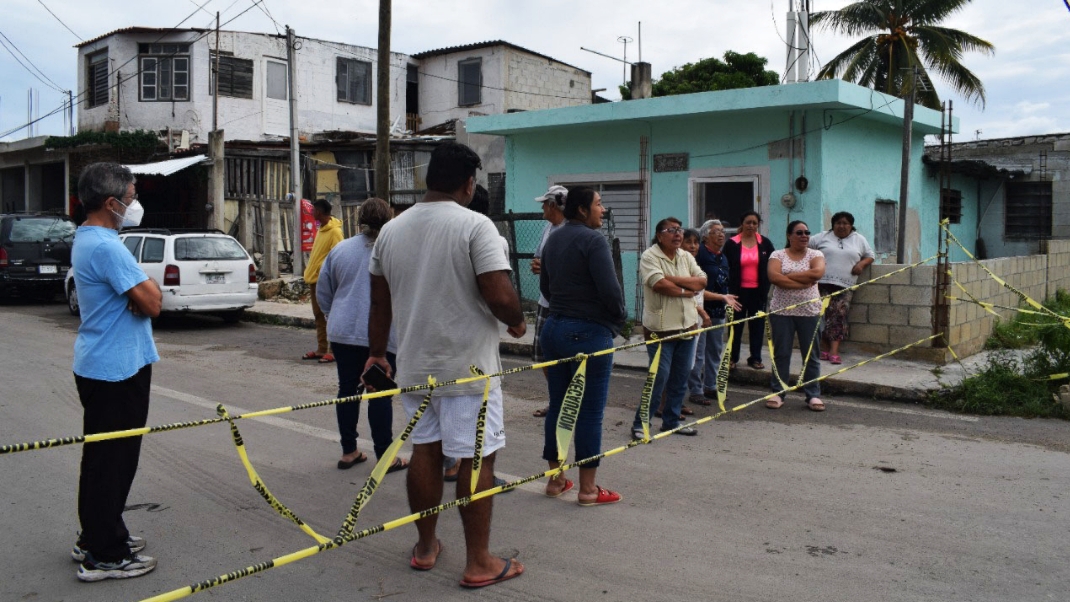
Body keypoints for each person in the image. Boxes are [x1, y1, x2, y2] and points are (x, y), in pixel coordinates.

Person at [365, 142, 526, 588]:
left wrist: (378, 353)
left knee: (425, 453)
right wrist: (516, 320)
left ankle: (425, 546)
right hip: (469, 370)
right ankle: (479, 562)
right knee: (477, 458)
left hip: (415, 366)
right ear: (469, 183)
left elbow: (379, 302)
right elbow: (497, 292)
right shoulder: (476, 226)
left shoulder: (391, 232)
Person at [69, 163, 162, 582]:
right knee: (114, 463)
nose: (134, 203)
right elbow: (154, 302)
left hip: (102, 364)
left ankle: (98, 534)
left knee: (101, 459)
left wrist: (139, 293)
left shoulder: (88, 238)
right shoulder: (108, 247)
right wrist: (142, 291)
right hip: (116, 370)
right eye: (131, 195)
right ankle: (105, 555)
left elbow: (142, 298)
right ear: (111, 203)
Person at [539, 186, 626, 505]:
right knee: (588, 411)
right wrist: (619, 318)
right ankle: (589, 490)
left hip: (554, 328)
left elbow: (545, 288)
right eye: (599, 205)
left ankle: (555, 480)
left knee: (559, 406)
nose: (603, 210)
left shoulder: (555, 236)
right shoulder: (594, 240)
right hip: (588, 333)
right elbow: (611, 290)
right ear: (582, 210)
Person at [317, 198, 407, 473]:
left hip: (344, 333)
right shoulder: (397, 251)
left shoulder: (340, 250)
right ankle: (385, 456)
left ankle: (349, 451)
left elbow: (324, 293)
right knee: (380, 394)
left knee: (347, 392)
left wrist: (339, 317)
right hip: (382, 335)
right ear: (390, 219)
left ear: (359, 220)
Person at [631, 217, 707, 440]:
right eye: (671, 230)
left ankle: (671, 422)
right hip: (660, 329)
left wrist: (674, 280)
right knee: (659, 377)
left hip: (687, 326)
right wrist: (685, 289)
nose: (678, 234)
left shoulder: (685, 256)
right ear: (659, 235)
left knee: (680, 378)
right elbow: (659, 285)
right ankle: (640, 423)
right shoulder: (650, 256)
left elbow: (702, 281)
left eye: (679, 230)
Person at [766, 220, 826, 411]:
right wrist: (802, 282)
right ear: (789, 235)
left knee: (811, 354)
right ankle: (778, 391)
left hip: (810, 311)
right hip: (782, 311)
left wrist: (788, 276)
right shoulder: (778, 254)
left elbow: (817, 273)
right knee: (781, 353)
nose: (804, 236)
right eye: (799, 233)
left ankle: (813, 395)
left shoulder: (816, 254)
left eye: (807, 233)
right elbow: (774, 277)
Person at [809, 211, 875, 364]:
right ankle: (823, 349)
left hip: (844, 286)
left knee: (838, 316)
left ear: (851, 226)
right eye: (838, 223)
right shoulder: (822, 237)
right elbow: (806, 248)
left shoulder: (859, 239)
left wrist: (861, 264)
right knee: (821, 316)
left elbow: (870, 255)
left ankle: (834, 351)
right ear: (833, 225)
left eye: (845, 223)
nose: (842, 226)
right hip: (820, 284)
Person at [689, 220, 741, 405]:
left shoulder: (722, 256)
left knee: (715, 351)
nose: (721, 235)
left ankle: (710, 386)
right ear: (705, 236)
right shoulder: (699, 255)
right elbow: (697, 288)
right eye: (716, 232)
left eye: (722, 231)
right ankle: (695, 390)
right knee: (699, 353)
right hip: (702, 310)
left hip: (719, 310)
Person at [530, 185, 568, 418]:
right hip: (545, 301)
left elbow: (569, 268)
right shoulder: (548, 228)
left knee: (562, 355)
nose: (542, 208)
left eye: (544, 203)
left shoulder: (569, 231)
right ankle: (557, 399)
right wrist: (541, 266)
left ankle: (564, 402)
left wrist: (545, 267)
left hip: (563, 305)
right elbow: (538, 259)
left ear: (553, 205)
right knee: (542, 354)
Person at [723, 210, 776, 370]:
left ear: (758, 224)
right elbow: (725, 267)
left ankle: (755, 358)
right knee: (735, 326)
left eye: (754, 223)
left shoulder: (765, 243)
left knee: (757, 326)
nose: (751, 226)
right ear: (742, 223)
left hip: (758, 293)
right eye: (748, 222)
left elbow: (773, 263)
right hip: (736, 293)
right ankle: (732, 358)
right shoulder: (732, 243)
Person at [302, 199, 344, 363]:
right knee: (318, 315)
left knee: (330, 316)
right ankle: (321, 349)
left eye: (314, 210)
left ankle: (333, 350)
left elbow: (339, 258)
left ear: (319, 211)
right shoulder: (321, 229)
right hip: (314, 280)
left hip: (325, 281)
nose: (312, 213)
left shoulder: (335, 232)